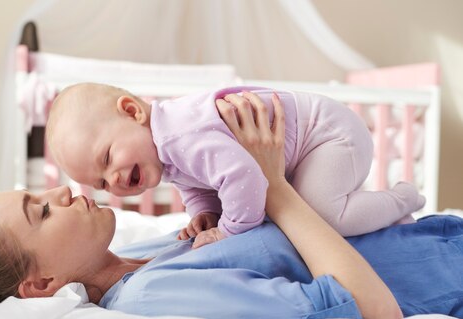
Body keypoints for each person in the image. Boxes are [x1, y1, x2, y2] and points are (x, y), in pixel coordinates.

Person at [0, 94, 463, 319]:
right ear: (41, 283)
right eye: (40, 214)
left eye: (40, 195)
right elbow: (370, 311)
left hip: (437, 237)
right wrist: (272, 183)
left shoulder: (140, 254)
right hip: (445, 274)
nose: (63, 193)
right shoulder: (147, 295)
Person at [45, 82, 426, 249]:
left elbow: (243, 178)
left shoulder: (178, 134)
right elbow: (196, 182)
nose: (114, 180)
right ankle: (388, 222)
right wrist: (205, 211)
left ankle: (402, 199)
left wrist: (228, 231)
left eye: (108, 159)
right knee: (310, 209)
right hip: (313, 146)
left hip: (328, 134)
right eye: (102, 183)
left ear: (131, 111)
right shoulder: (164, 149)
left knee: (326, 215)